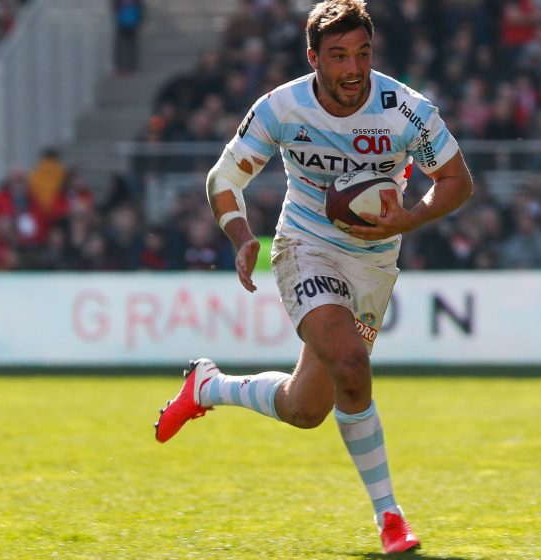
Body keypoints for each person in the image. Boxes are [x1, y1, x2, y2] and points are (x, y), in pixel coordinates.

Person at [153, 0, 473, 554]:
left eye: (363, 54)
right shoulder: (282, 108)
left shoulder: (405, 109)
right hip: (304, 245)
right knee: (351, 364)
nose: (353, 68)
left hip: (375, 261)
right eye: (339, 56)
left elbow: (456, 180)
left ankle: (208, 386)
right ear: (313, 58)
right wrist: (240, 235)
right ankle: (390, 518)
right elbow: (223, 176)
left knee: (308, 407)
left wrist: (411, 215)